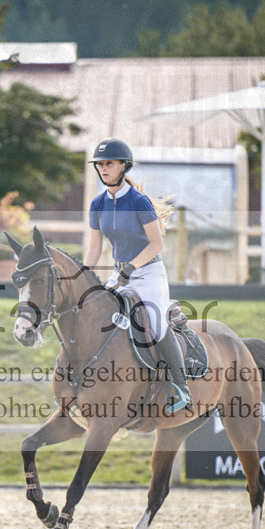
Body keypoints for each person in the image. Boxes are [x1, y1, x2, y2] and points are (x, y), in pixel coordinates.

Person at [83, 137, 190, 415]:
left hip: (149, 272)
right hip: (120, 273)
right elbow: (95, 248)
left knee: (156, 324)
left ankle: (181, 388)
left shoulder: (139, 201)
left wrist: (130, 268)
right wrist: (82, 277)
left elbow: (157, 244)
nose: (104, 168)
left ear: (123, 166)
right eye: (100, 164)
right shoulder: (97, 205)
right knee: (95, 315)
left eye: (109, 163)